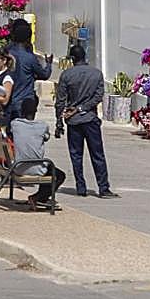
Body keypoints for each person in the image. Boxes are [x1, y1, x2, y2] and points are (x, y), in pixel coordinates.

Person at [55, 44, 118, 198]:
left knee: (76, 155)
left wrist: (59, 121)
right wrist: (83, 108)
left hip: (74, 121)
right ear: (85, 56)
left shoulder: (67, 75)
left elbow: (60, 100)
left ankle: (80, 187)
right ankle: (103, 187)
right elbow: (98, 97)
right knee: (97, 154)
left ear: (72, 59)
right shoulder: (96, 74)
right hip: (90, 119)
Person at [8, 96, 65, 210]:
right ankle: (38, 198)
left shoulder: (15, 124)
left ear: (22, 111)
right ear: (35, 111)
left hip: (18, 167)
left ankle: (40, 199)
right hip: (37, 168)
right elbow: (46, 138)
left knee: (48, 168)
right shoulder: (42, 126)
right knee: (59, 175)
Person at [6, 19, 53, 124]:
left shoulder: (7, 52)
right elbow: (44, 75)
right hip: (24, 102)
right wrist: (48, 64)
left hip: (8, 101)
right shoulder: (29, 57)